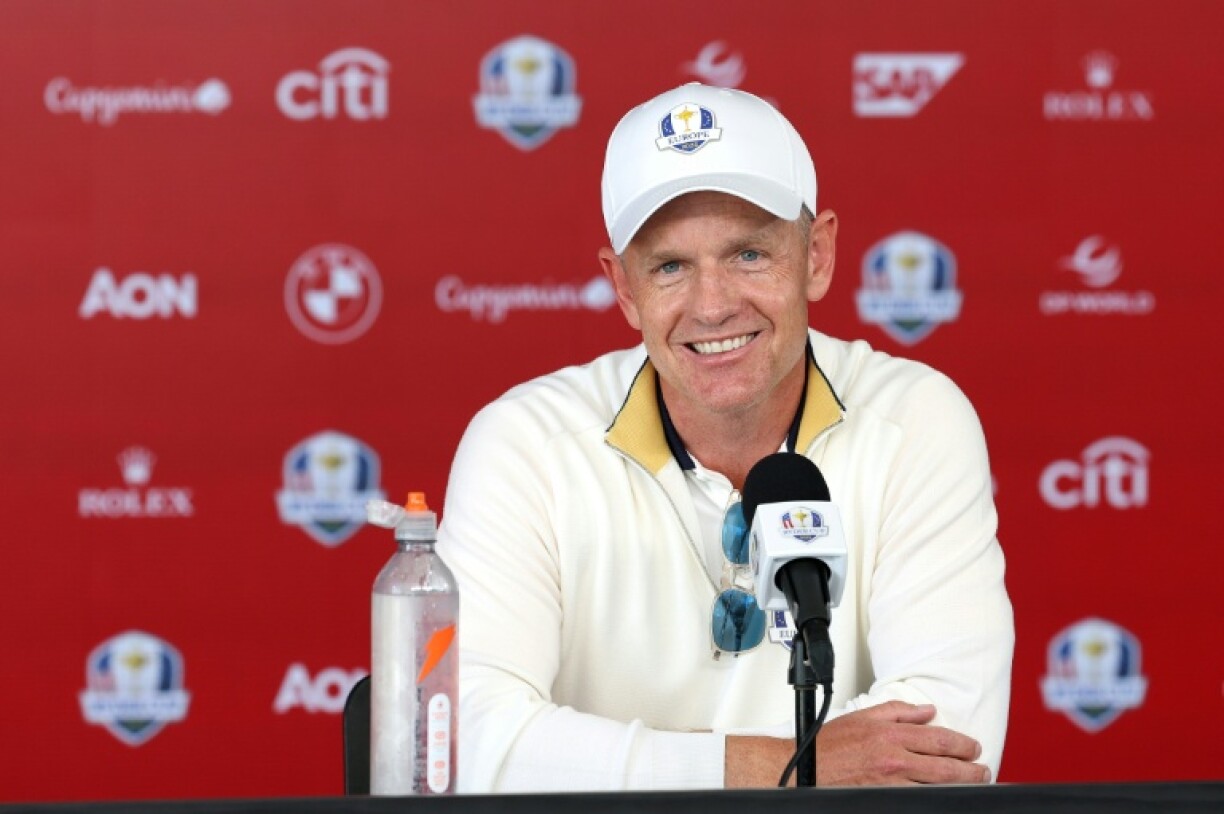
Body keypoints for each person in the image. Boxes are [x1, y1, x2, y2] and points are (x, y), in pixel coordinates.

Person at [436, 83, 1013, 791]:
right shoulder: (522, 445)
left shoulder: (915, 419)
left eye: (748, 254)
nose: (712, 306)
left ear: (818, 255)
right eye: (670, 266)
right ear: (623, 289)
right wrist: (786, 770)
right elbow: (466, 743)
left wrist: (610, 767)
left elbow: (946, 746)